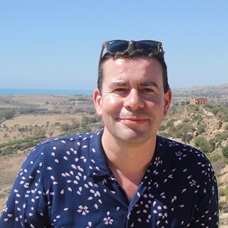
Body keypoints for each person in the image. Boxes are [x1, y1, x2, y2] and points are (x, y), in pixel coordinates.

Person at [0, 40, 218, 227]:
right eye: (120, 89)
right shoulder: (50, 164)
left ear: (166, 103)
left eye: (148, 90)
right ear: (99, 102)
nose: (134, 102)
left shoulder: (192, 169)